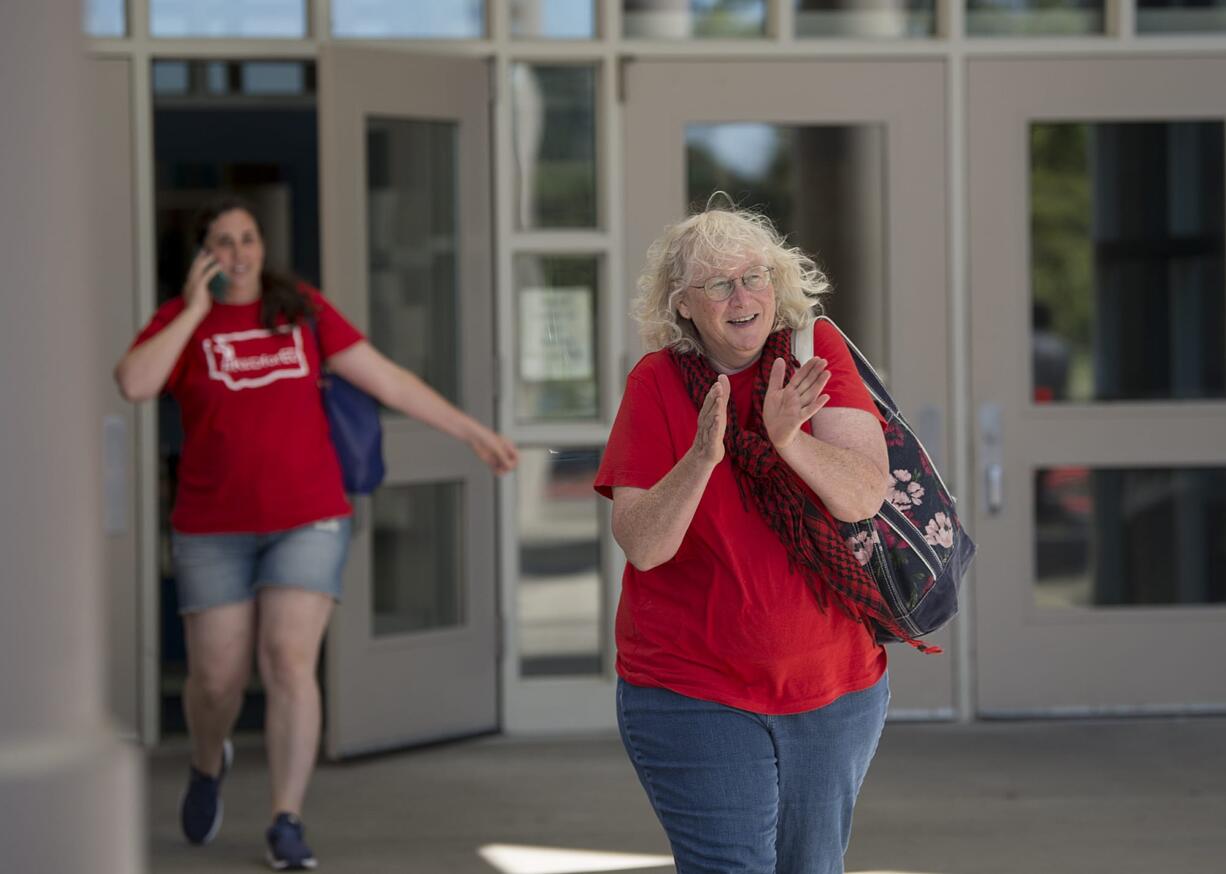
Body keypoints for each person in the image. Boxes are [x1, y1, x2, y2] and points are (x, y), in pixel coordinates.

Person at [115, 195, 518, 871]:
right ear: (200, 254)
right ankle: (207, 762)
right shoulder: (180, 324)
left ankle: (285, 819)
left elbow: (386, 376)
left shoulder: (299, 308)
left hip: (308, 516)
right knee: (216, 680)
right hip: (212, 526)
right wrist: (190, 311)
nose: (239, 253)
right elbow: (134, 383)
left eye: (248, 238)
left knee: (288, 662)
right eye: (222, 241)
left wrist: (473, 432)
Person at [593, 203, 892, 874]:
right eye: (719, 284)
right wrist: (703, 455)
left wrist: (787, 440)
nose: (743, 296)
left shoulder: (816, 353)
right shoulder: (657, 382)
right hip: (693, 692)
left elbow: (863, 494)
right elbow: (644, 545)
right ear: (684, 306)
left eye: (755, 276)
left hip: (834, 688)